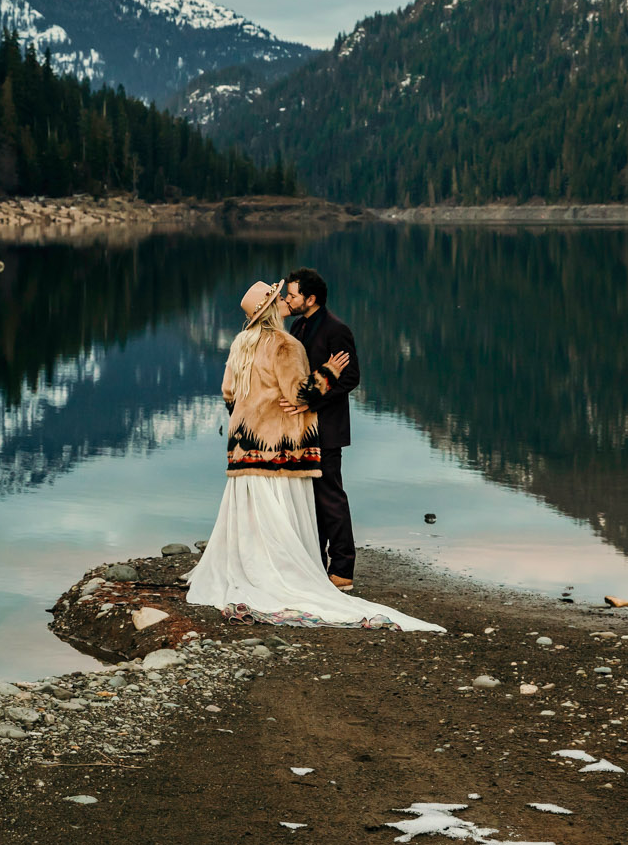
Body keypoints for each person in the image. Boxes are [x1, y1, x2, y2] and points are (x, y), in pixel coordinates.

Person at [187, 280, 441, 632]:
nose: (286, 301)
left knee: (253, 514)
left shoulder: (240, 344)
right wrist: (328, 373)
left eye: (289, 295)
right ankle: (300, 571)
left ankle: (254, 568)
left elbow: (229, 394)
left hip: (243, 447)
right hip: (278, 448)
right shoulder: (284, 344)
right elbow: (298, 392)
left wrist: (249, 412)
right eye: (282, 298)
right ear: (274, 307)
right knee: (282, 513)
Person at [280, 267, 360, 589]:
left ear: (311, 299)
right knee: (312, 499)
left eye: (293, 294)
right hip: (305, 428)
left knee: (330, 498)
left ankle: (343, 570)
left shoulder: (336, 330)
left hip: (326, 428)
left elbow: (351, 378)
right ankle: (318, 564)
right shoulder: (299, 324)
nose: (288, 298)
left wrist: (311, 403)